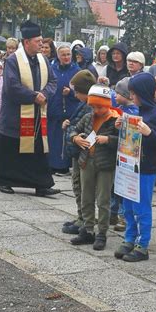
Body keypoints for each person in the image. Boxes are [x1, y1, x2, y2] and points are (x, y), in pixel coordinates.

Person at [0, 20, 59, 197]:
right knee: (11, 149)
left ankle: (41, 184)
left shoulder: (43, 60)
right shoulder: (13, 61)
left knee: (37, 151)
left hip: (37, 115)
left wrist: (44, 93)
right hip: (15, 115)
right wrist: (33, 96)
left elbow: (53, 81)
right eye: (38, 41)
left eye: (42, 40)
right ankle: (5, 181)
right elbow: (11, 87)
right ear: (27, 42)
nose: (41, 44)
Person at [114, 73, 156, 262]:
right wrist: (120, 126)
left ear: (143, 93)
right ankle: (129, 238)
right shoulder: (135, 111)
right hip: (129, 166)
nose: (132, 97)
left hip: (145, 169)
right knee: (127, 206)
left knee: (142, 208)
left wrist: (149, 132)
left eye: (134, 93)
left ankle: (142, 245)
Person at [69, 84, 120, 250]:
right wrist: (76, 138)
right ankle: (88, 229)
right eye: (94, 106)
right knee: (86, 197)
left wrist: (109, 139)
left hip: (105, 164)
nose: (97, 110)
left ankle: (102, 233)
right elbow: (73, 131)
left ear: (108, 104)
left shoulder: (116, 119)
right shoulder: (88, 117)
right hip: (86, 161)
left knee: (103, 199)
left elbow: (124, 141)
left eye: (100, 106)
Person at [61, 70, 97, 235]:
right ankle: (81, 216)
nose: (75, 95)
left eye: (77, 92)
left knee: (82, 187)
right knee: (77, 185)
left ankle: (84, 219)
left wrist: (72, 132)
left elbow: (88, 130)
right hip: (77, 152)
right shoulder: (84, 104)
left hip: (83, 153)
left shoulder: (91, 107)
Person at [110, 77, 139, 232]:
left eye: (118, 93)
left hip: (128, 154)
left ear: (127, 95)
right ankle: (112, 212)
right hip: (118, 152)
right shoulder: (119, 109)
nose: (115, 96)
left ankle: (123, 216)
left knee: (122, 187)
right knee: (114, 185)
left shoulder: (134, 112)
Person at [48, 44, 80, 175]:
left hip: (69, 109)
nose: (66, 57)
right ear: (58, 56)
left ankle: (63, 166)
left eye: (68, 54)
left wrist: (71, 92)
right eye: (63, 55)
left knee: (63, 139)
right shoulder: (52, 68)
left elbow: (82, 91)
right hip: (53, 107)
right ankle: (51, 163)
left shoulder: (76, 70)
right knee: (52, 138)